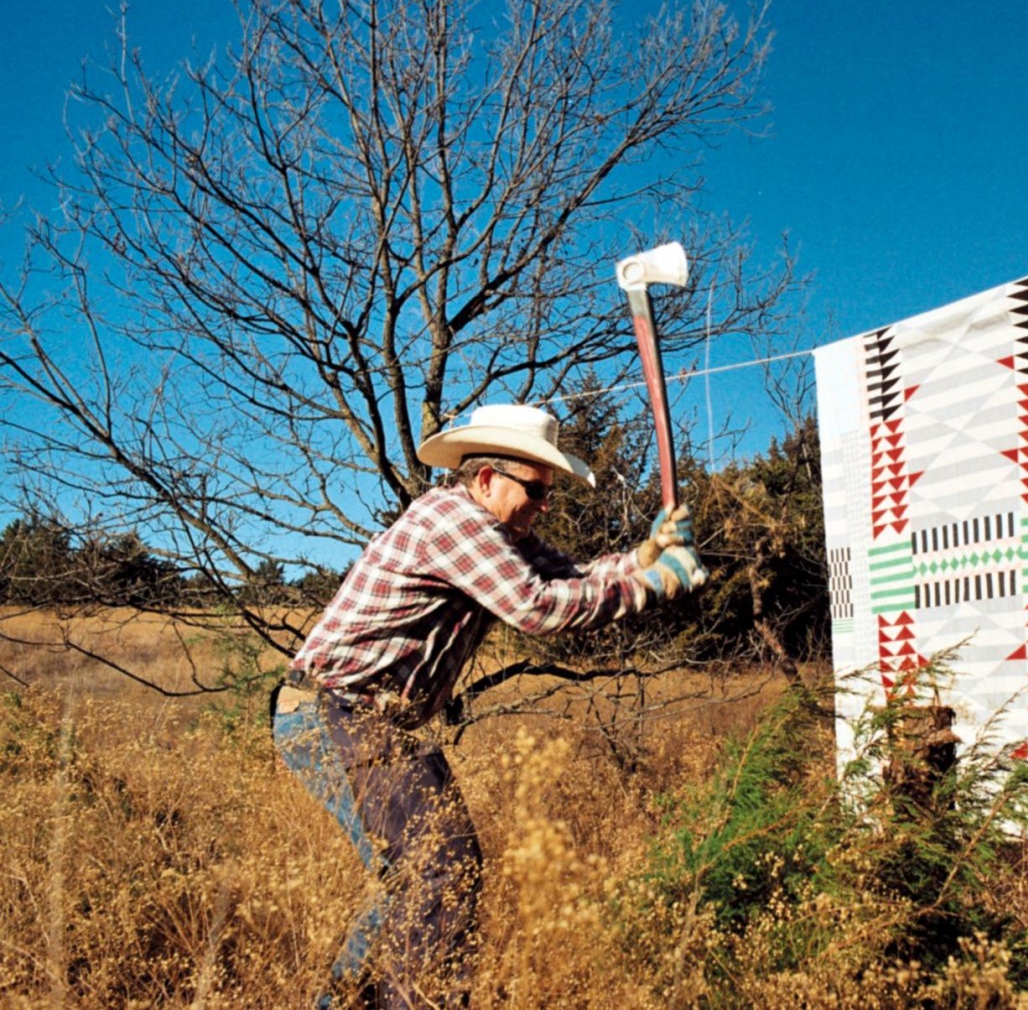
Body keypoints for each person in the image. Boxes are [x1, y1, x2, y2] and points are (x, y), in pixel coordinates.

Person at [271, 403, 705, 1009]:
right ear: (485, 479)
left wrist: (645, 556)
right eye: (534, 489)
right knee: (442, 869)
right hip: (335, 713)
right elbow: (538, 608)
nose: (543, 504)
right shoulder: (454, 522)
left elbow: (573, 574)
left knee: (415, 873)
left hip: (366, 719)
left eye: (547, 491)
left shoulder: (500, 532)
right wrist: (650, 586)